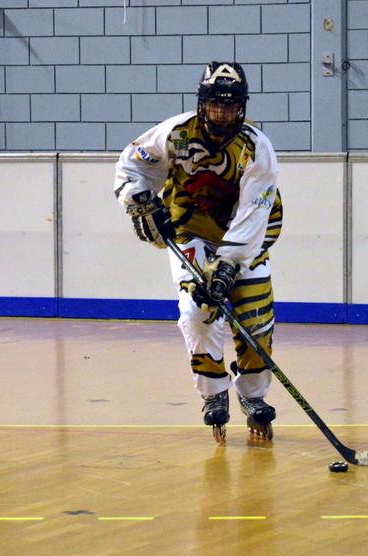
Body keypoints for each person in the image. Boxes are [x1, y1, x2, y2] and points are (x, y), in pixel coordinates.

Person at [114, 61, 284, 443]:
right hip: (190, 233)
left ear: (242, 107)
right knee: (197, 311)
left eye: (230, 106)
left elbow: (254, 214)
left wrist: (228, 265)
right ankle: (213, 392)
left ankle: (254, 395)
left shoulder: (257, 148)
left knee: (256, 320)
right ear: (202, 103)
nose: (221, 114)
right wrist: (139, 200)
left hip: (248, 239)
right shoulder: (176, 133)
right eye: (215, 105)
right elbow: (132, 166)